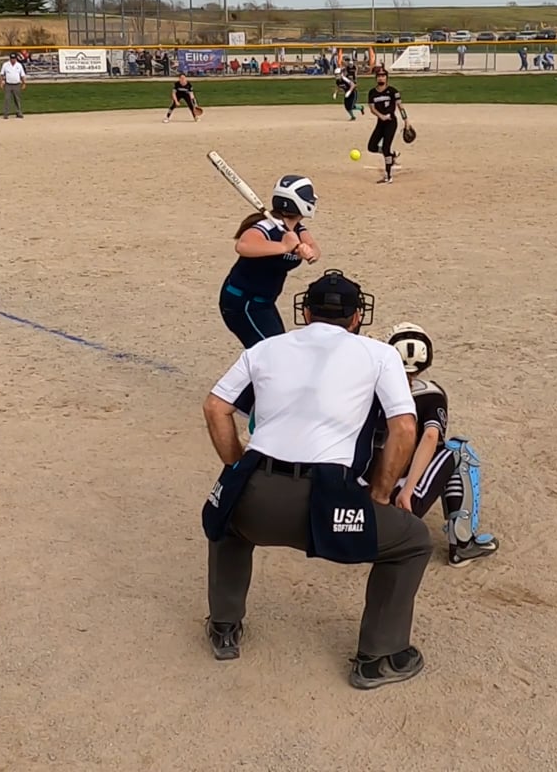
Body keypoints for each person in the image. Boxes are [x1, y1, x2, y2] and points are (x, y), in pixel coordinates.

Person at [201, 270, 433, 689]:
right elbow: (404, 427)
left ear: (306, 312)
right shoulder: (380, 354)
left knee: (226, 519)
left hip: (258, 489)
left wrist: (235, 466)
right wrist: (381, 493)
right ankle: (377, 657)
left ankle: (224, 627)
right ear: (357, 316)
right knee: (413, 541)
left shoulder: (266, 348)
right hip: (329, 500)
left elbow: (216, 406)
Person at [381, 322, 499, 566]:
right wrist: (408, 491)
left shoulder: (370, 388)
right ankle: (462, 544)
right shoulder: (431, 394)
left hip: (359, 498)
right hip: (396, 503)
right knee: (459, 451)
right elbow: (431, 437)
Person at [219, 175, 321, 349]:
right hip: (243, 303)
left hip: (264, 303)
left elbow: (315, 250)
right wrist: (283, 247)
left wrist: (307, 250)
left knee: (276, 352)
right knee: (273, 353)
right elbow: (243, 245)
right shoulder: (266, 226)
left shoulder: (296, 228)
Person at [365, 67, 405, 185]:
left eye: (383, 76)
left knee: (386, 147)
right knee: (371, 146)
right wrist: (381, 116)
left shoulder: (393, 91)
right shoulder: (372, 92)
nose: (381, 78)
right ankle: (391, 156)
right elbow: (372, 108)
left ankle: (388, 176)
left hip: (391, 123)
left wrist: (406, 121)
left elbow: (400, 107)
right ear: (376, 78)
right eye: (379, 76)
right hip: (381, 122)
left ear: (387, 78)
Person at [0, 52, 27, 119]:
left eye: (14, 58)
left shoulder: (19, 65)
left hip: (17, 84)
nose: (13, 60)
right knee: (7, 99)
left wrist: (24, 83)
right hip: (8, 84)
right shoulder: (5, 65)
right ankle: (6, 113)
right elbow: (2, 74)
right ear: (10, 58)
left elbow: (22, 75)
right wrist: (0, 83)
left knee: (17, 99)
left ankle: (18, 112)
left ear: (16, 58)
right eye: (11, 58)